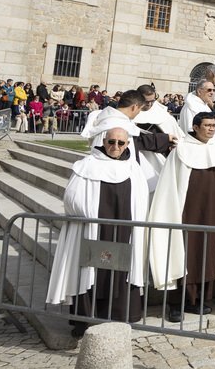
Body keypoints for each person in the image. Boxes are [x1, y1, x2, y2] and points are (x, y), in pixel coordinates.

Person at [46, 127, 150, 337]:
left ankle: (118, 319)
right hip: (93, 231)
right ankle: (88, 321)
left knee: (120, 271)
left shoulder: (134, 168)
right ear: (103, 141)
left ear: (127, 144)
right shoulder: (87, 166)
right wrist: (89, 214)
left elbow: (141, 198)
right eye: (111, 142)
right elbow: (72, 198)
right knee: (92, 271)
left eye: (121, 143)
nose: (115, 147)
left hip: (124, 231)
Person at [147, 112, 215, 323]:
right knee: (183, 251)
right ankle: (176, 303)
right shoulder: (181, 151)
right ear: (195, 127)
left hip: (213, 209)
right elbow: (170, 183)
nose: (212, 129)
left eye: (214, 125)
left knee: (208, 251)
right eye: (207, 125)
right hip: (186, 209)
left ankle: (199, 300)